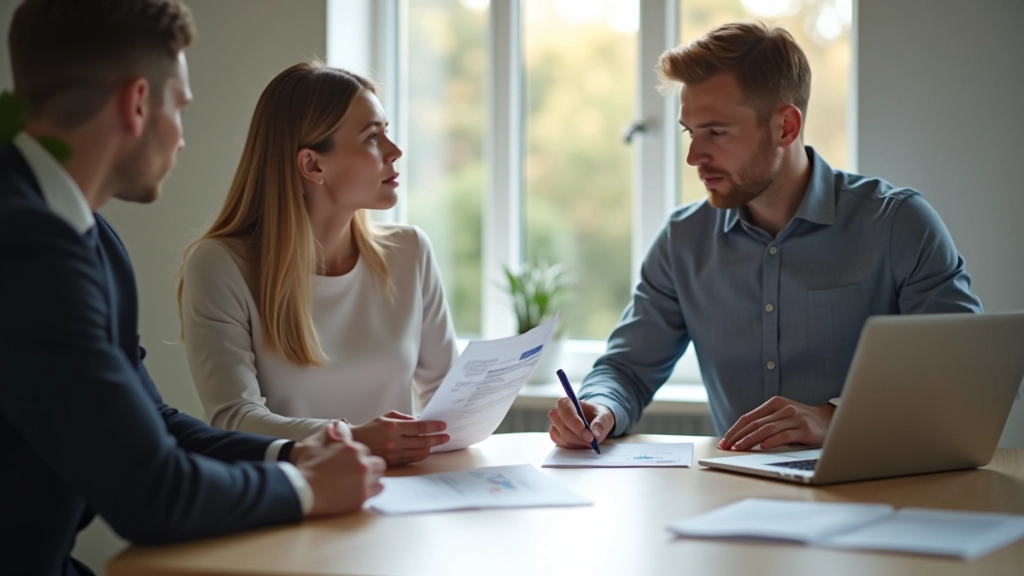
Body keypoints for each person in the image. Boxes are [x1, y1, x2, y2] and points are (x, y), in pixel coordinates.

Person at [0, 2, 385, 574]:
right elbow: (152, 494)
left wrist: (293, 453)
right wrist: (308, 488)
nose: (181, 139)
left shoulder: (92, 239)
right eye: (179, 106)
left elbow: (153, 423)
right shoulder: (26, 248)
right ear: (136, 103)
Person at [547, 21, 983, 454]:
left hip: (876, 483)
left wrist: (836, 417)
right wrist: (600, 407)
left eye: (716, 132)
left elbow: (968, 379)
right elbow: (627, 369)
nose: (694, 156)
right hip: (734, 487)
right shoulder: (683, 241)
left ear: (786, 127)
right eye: (690, 132)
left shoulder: (897, 224)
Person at [177, 61, 457, 468]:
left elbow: (449, 398)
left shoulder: (410, 251)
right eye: (373, 136)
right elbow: (233, 419)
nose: (394, 151)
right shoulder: (219, 266)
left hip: (403, 495)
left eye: (386, 131)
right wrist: (354, 439)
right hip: (290, 495)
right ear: (312, 165)